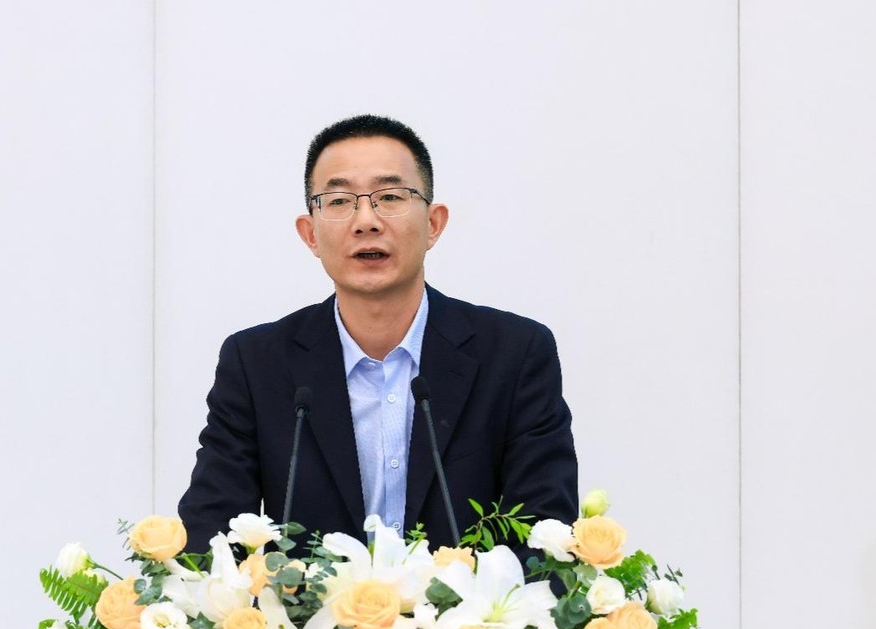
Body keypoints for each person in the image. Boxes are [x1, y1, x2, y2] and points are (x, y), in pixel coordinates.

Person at [178, 114, 577, 552]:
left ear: (434, 224)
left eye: (390, 197)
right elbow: (210, 535)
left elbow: (546, 535)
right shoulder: (257, 363)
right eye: (339, 201)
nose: (366, 220)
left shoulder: (514, 354)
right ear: (310, 234)